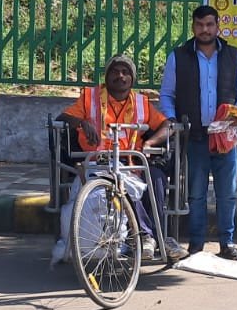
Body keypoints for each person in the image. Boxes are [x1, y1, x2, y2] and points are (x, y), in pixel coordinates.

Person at [57, 53, 186, 262]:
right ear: (106, 76)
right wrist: (82, 122)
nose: (120, 76)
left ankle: (155, 237)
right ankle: (147, 237)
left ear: (132, 79)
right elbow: (63, 117)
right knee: (122, 182)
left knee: (156, 178)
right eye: (115, 71)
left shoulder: (141, 102)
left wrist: (150, 143)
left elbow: (167, 125)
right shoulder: (90, 97)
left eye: (125, 72)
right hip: (99, 162)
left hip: (133, 161)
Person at [159, 4, 237, 260]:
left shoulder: (234, 56)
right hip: (195, 137)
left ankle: (227, 244)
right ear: (193, 27)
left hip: (225, 138)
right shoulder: (178, 57)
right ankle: (196, 245)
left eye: (210, 24)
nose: (205, 30)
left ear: (217, 27)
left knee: (227, 194)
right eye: (200, 25)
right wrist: (172, 120)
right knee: (196, 194)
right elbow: (167, 95)